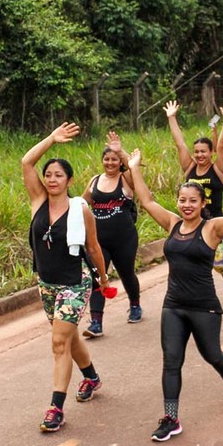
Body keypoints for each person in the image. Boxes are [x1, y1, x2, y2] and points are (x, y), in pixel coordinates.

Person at [125, 148, 223, 441]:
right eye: (182, 200)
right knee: (171, 361)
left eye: (192, 201)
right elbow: (146, 201)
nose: (186, 205)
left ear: (202, 203)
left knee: (212, 355)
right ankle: (171, 418)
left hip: (204, 307)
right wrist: (134, 167)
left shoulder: (212, 228)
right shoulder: (172, 224)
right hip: (173, 306)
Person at [22, 123, 111, 433]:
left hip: (75, 282)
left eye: (59, 175)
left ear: (69, 180)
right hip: (46, 283)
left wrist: (103, 277)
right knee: (69, 338)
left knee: (59, 342)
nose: (52, 179)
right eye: (49, 175)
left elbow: (93, 246)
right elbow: (26, 162)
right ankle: (91, 376)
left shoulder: (80, 209)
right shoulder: (37, 201)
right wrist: (51, 139)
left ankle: (55, 408)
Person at [165, 99, 223, 297]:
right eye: (196, 151)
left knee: (217, 261)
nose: (199, 155)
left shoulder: (219, 169)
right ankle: (197, 293)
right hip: (192, 223)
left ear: (210, 153)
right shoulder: (190, 168)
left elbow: (222, 145)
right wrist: (171, 117)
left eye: (203, 152)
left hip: (215, 221)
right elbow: (179, 144)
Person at [81, 132, 141, 337]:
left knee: (127, 274)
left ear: (119, 162)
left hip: (124, 239)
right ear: (102, 161)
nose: (110, 162)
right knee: (98, 277)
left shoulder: (126, 179)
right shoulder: (95, 181)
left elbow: (133, 168)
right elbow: (82, 204)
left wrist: (120, 150)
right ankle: (96, 322)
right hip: (98, 241)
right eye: (107, 159)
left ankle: (134, 305)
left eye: (114, 159)